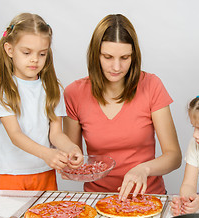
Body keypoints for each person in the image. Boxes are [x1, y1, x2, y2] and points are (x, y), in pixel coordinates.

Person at [63, 14, 182, 200]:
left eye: (125, 57)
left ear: (134, 56)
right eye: (108, 57)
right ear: (96, 55)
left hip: (147, 197)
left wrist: (144, 169)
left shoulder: (151, 85)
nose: (116, 67)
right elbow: (74, 157)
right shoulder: (74, 93)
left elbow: (174, 156)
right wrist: (69, 164)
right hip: (97, 200)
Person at [0, 13, 83, 191]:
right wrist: (47, 154)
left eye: (42, 54)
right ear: (9, 50)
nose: (34, 59)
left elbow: (55, 134)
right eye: (27, 52)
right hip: (12, 172)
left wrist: (71, 148)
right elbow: (15, 135)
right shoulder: (2, 88)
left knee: (46, 216)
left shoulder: (52, 88)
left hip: (45, 172)